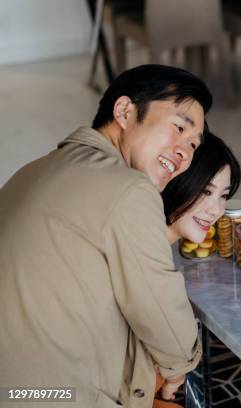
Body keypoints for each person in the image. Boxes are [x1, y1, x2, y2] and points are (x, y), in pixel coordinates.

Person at [0, 64, 212, 408]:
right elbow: (163, 317)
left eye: (192, 144)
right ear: (125, 111)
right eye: (178, 128)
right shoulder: (129, 188)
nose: (184, 153)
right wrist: (180, 369)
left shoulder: (31, 171)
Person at [157, 132, 241, 406]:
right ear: (177, 180)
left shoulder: (155, 241)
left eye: (223, 195)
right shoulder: (145, 250)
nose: (216, 209)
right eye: (206, 191)